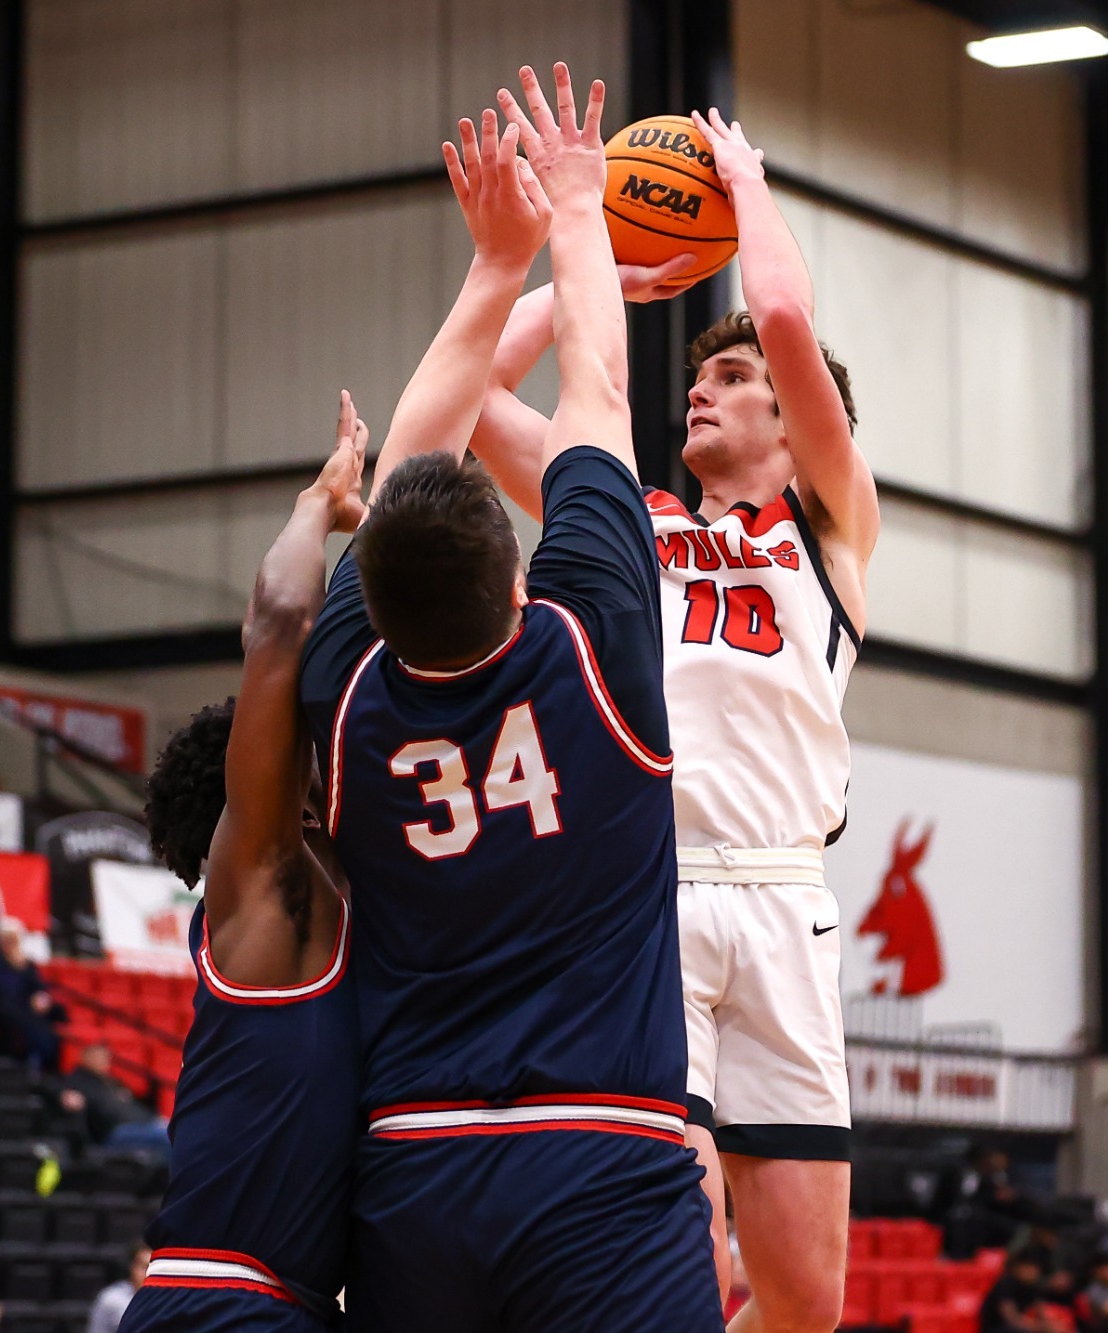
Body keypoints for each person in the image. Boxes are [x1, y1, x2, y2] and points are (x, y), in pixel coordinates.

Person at [298, 66, 722, 1330]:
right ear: (513, 563)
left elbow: (416, 448)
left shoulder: (347, 686)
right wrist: (575, 211)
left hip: (410, 1167)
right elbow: (597, 395)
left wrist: (500, 272)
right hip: (601, 1154)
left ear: (371, 583)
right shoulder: (592, 653)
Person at [471, 101, 878, 1329]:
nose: (702, 390)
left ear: (801, 426)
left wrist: (741, 190)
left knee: (805, 1301)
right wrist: (600, 278)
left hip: (784, 903)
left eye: (732, 377)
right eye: (698, 374)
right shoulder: (629, 521)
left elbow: (791, 320)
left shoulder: (831, 526)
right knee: (678, 1251)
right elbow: (479, 386)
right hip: (649, 895)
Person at [121, 402, 366, 1329]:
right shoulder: (274, 896)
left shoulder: (341, 898)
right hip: (224, 1300)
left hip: (287, 1304)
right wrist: (320, 503)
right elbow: (278, 624)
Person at [0, 918, 65, 1074]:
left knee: (51, 1022)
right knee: (19, 1021)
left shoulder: (26, 965)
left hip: (24, 1009)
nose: (10, 943)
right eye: (7, 939)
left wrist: (41, 998)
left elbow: (38, 988)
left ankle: (45, 1069)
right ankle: (22, 1067)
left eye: (13, 939)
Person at [47, 1042, 167, 1158]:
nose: (104, 1061)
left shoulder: (111, 1082)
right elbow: (48, 1085)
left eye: (105, 1057)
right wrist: (62, 1094)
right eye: (98, 1056)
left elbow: (131, 1106)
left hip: (139, 1124)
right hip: (111, 1132)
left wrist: (153, 1118)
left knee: (174, 1130)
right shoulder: (76, 1080)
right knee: (167, 1137)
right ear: (85, 1056)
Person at [984, 1253, 1064, 1333]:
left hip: (1019, 1325)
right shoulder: (1005, 1284)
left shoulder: (1033, 1286)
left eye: (1034, 1268)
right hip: (997, 1327)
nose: (1032, 1272)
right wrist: (1039, 1327)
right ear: (1017, 1268)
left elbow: (1041, 1312)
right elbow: (1011, 1319)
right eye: (1028, 1267)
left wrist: (1051, 1327)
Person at [91, 1246, 149, 1333]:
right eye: (144, 1267)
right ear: (132, 1267)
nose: (149, 1273)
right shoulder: (110, 1299)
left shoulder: (171, 1299)